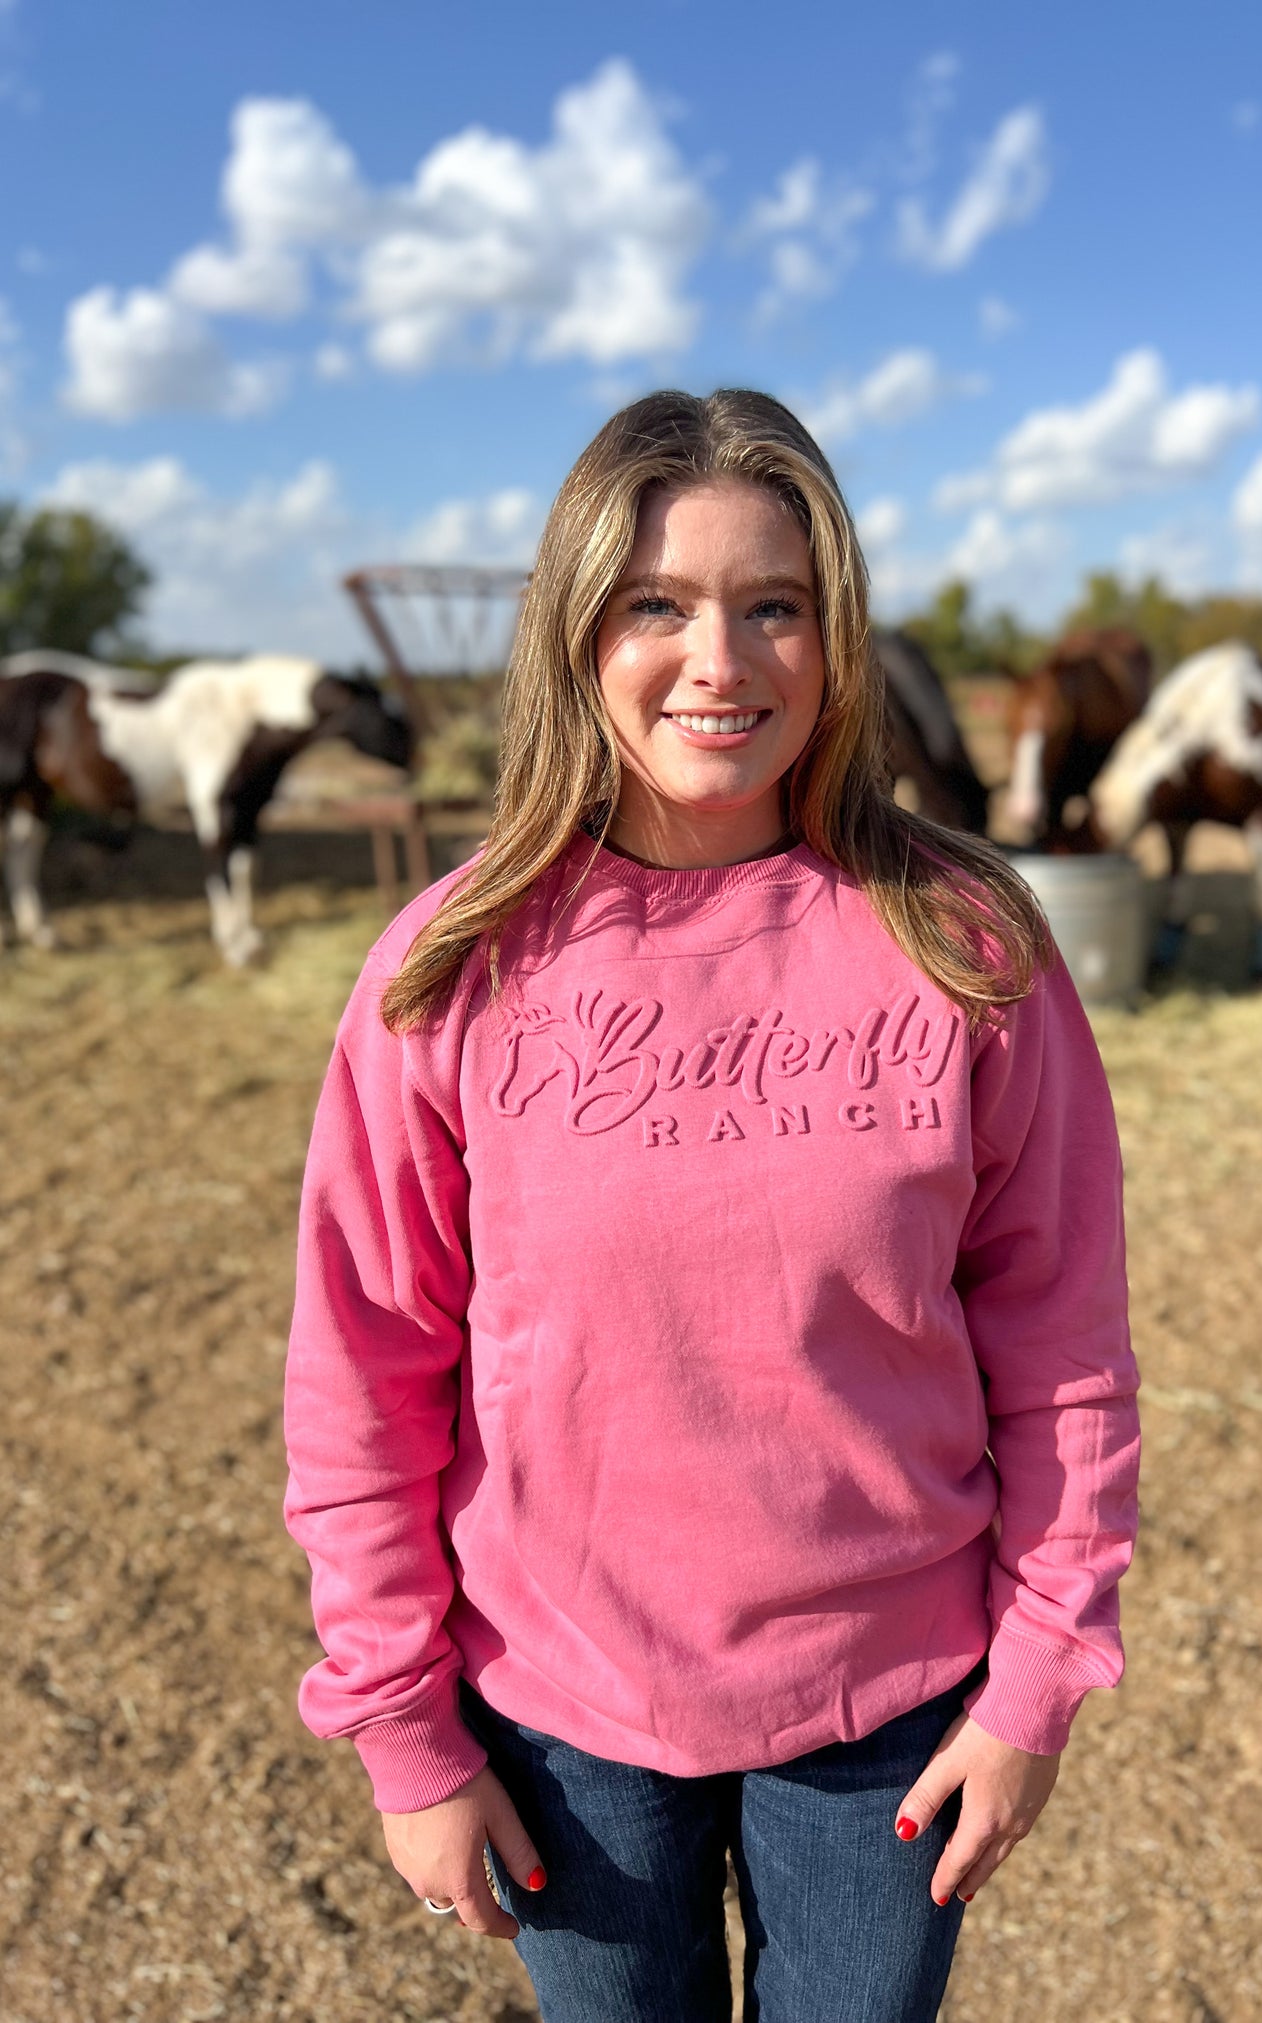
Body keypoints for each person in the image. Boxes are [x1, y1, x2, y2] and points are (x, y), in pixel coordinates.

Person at [283, 389, 1140, 2023]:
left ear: (838, 637)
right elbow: (361, 1377)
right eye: (655, 605)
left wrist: (1035, 1684)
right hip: (557, 1707)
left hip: (890, 1711)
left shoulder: (965, 947)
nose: (720, 663)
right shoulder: (447, 969)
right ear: (574, 632)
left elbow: (1062, 1349)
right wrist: (400, 1727)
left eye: (774, 607)